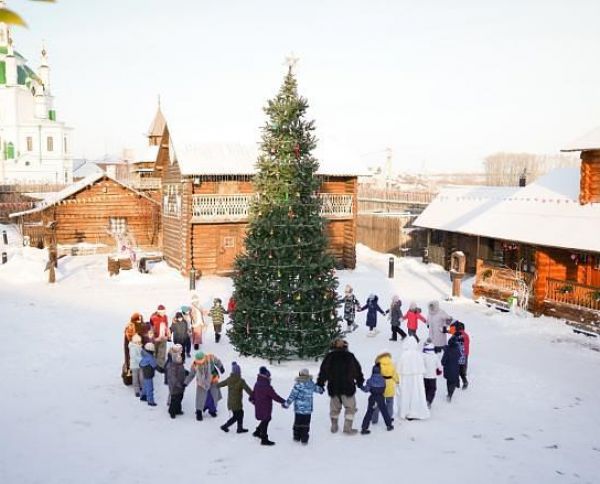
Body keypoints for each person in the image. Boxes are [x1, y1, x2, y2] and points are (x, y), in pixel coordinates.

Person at [317, 338, 364, 435]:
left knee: (334, 408)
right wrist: (360, 382)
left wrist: (320, 384)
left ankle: (334, 425)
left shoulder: (329, 357)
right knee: (350, 408)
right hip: (348, 387)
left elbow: (323, 371)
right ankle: (347, 428)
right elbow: (357, 370)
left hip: (333, 387)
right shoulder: (350, 356)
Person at [283, 368, 323, 444]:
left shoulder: (298, 385)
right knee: (306, 424)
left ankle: (296, 437)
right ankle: (304, 438)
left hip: (298, 409)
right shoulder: (311, 384)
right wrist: (321, 390)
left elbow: (292, 396)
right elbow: (318, 389)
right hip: (308, 410)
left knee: (297, 423)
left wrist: (286, 404)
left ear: (300, 374)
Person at [250, 366, 286, 446]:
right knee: (266, 420)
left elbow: (253, 392)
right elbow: (275, 396)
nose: (270, 378)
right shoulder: (267, 386)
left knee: (265, 419)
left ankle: (257, 431)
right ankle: (264, 439)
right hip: (265, 406)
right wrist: (283, 401)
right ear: (266, 376)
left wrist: (252, 398)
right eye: (269, 377)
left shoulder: (257, 383)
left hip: (259, 405)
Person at [184, 351, 225, 421]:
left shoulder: (210, 358)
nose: (200, 363)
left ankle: (212, 410)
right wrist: (185, 383)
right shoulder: (195, 364)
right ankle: (199, 411)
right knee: (200, 397)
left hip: (213, 380)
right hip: (201, 383)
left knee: (213, 396)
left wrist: (221, 367)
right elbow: (191, 374)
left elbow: (217, 361)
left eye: (201, 361)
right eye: (198, 362)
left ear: (204, 358)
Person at [398, 337, 430, 420]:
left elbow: (399, 367)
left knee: (407, 395)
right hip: (417, 378)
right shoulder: (418, 354)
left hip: (406, 378)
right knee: (417, 394)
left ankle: (406, 412)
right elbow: (422, 367)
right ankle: (417, 411)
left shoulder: (404, 354)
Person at [218, 362, 253, 434]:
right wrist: (254, 395)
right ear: (239, 372)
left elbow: (221, 384)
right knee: (237, 416)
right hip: (237, 403)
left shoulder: (229, 379)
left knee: (240, 413)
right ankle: (225, 426)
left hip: (231, 402)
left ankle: (239, 428)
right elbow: (248, 389)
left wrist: (215, 385)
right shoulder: (241, 381)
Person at [360, 364, 394, 434]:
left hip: (372, 398)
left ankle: (364, 428)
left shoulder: (370, 380)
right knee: (384, 412)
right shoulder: (383, 380)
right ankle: (389, 425)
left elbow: (366, 390)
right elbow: (384, 389)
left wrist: (361, 387)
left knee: (369, 412)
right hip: (381, 397)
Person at [371, 352, 399, 424]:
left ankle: (374, 419)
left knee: (377, 402)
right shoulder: (392, 364)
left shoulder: (378, 365)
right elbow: (395, 375)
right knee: (389, 402)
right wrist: (397, 381)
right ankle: (389, 417)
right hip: (390, 384)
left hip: (380, 384)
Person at [166, 344, 186, 418]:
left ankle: (178, 410)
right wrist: (178, 384)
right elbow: (173, 378)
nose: (180, 360)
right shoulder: (172, 367)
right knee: (174, 400)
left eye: (180, 359)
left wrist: (186, 373)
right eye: (179, 359)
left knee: (180, 398)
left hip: (180, 386)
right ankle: (172, 411)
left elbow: (182, 372)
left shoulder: (180, 365)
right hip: (174, 387)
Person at [423, 339, 441, 408]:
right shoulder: (435, 356)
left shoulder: (423, 355)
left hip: (424, 376)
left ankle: (424, 400)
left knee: (425, 389)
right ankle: (429, 401)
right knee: (432, 389)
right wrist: (439, 371)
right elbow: (439, 366)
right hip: (432, 377)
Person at [441, 336, 461, 402]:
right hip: (455, 369)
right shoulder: (457, 349)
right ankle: (450, 394)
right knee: (453, 382)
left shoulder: (447, 350)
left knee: (449, 382)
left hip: (447, 370)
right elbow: (459, 357)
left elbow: (443, 361)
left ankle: (449, 394)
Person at [150, 304, 169, 369]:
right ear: (158, 311)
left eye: (164, 311)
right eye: (162, 312)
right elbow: (151, 328)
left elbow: (166, 326)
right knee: (155, 351)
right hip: (156, 337)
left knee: (162, 352)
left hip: (163, 337)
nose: (163, 313)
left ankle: (161, 365)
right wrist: (153, 338)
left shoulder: (165, 317)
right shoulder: (153, 317)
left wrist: (167, 335)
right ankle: (154, 364)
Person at [139, 342, 158, 407]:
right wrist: (162, 370)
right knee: (150, 388)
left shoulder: (144, 355)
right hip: (149, 374)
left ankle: (143, 396)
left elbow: (140, 364)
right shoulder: (150, 358)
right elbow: (155, 365)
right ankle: (150, 401)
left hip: (144, 373)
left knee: (145, 385)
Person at [455, 321, 470, 389]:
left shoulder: (457, 335)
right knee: (464, 365)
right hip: (465, 353)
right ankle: (464, 377)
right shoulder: (466, 334)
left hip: (458, 353)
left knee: (457, 368)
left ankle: (457, 383)